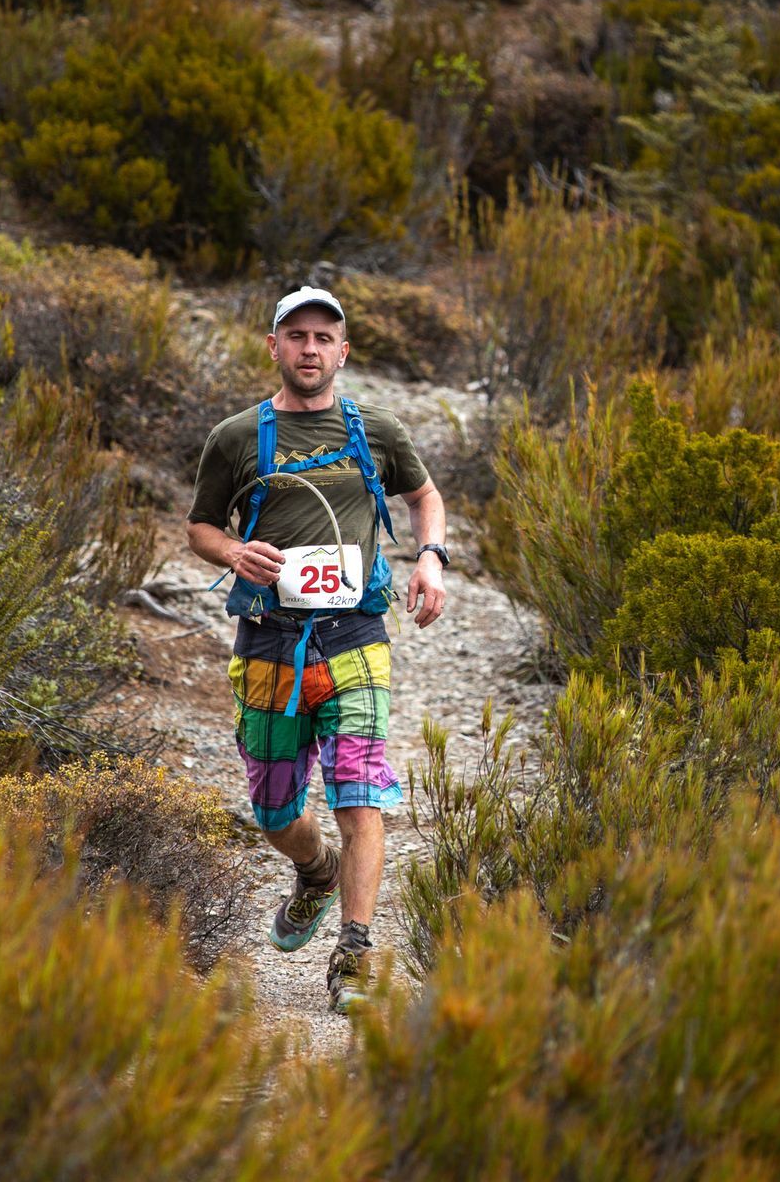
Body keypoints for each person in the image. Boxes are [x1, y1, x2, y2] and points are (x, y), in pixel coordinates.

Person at [185, 285, 449, 1014]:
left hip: (355, 638)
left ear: (343, 351)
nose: (309, 348)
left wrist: (431, 557)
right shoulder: (237, 437)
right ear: (273, 346)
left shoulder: (379, 430)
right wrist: (233, 553)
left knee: (359, 790)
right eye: (295, 335)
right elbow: (200, 527)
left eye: (322, 337)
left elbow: (426, 497)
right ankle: (316, 870)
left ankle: (355, 954)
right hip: (269, 644)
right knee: (275, 812)